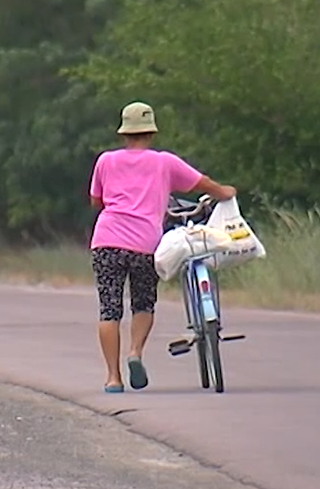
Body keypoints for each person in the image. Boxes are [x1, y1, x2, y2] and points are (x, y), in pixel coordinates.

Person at [89, 101, 236, 394]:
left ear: (124, 133)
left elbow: (97, 201)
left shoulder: (105, 161)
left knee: (109, 310)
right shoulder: (164, 162)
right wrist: (225, 192)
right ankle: (135, 353)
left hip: (106, 240)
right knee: (143, 303)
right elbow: (202, 183)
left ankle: (113, 379)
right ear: (151, 132)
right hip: (144, 242)